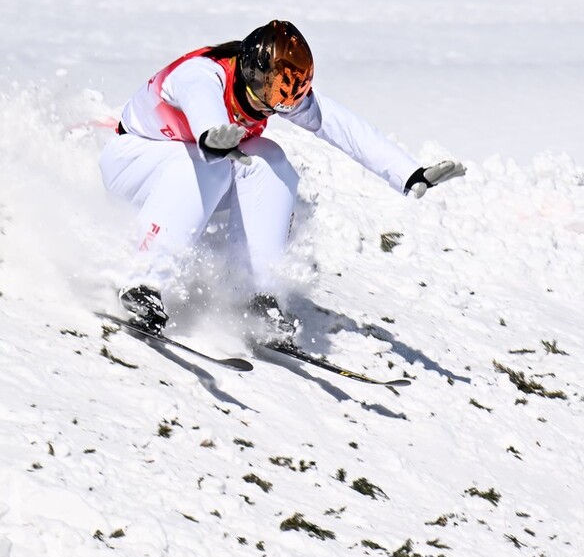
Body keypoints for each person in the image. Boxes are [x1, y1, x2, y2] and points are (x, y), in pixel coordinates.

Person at [99, 19, 466, 343]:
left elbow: (344, 128)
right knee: (209, 163)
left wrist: (408, 173)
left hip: (192, 176)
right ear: (250, 69)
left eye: (284, 98)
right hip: (132, 162)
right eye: (270, 91)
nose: (272, 105)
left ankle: (254, 294)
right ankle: (143, 280)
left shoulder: (276, 96)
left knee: (270, 159)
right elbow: (202, 111)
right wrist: (212, 137)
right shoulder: (201, 75)